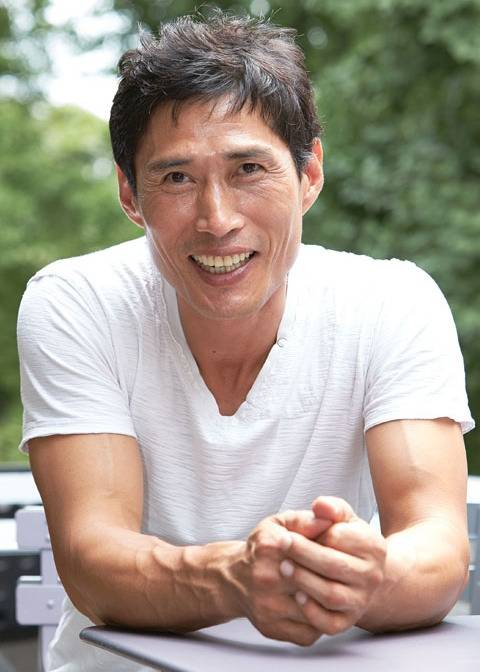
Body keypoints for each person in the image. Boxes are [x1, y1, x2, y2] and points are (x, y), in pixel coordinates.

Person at [17, 10, 474, 672]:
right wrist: (237, 576)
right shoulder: (77, 303)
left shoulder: (391, 302)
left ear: (309, 174)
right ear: (129, 194)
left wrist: (368, 575)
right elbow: (93, 561)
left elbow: (436, 547)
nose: (217, 219)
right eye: (177, 177)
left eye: (249, 168)